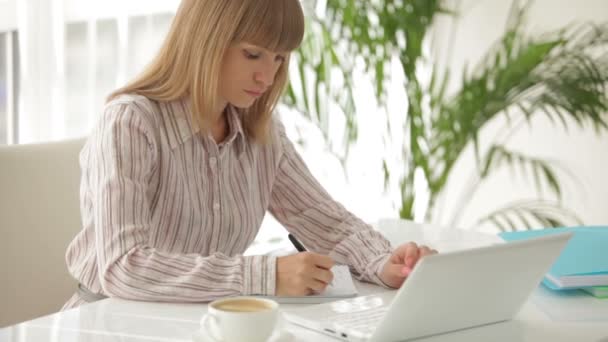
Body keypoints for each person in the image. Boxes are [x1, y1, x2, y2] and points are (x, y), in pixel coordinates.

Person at [63, 0, 437, 309]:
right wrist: (268, 276)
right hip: (111, 322)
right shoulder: (131, 122)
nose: (267, 77)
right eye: (253, 54)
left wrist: (383, 262)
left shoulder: (263, 134)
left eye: (278, 59)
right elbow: (123, 267)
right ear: (204, 40)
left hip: (205, 325)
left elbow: (324, 221)